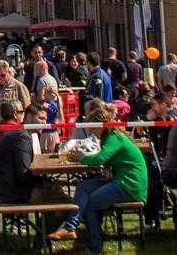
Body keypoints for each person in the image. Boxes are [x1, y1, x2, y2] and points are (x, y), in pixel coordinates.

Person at [55, 105, 146, 253]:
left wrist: (82, 158)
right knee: (83, 186)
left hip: (129, 185)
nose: (91, 132)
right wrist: (108, 169)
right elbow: (110, 159)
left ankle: (94, 247)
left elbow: (101, 158)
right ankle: (70, 227)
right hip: (120, 179)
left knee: (89, 203)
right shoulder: (112, 136)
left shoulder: (114, 137)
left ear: (102, 125)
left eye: (93, 128)